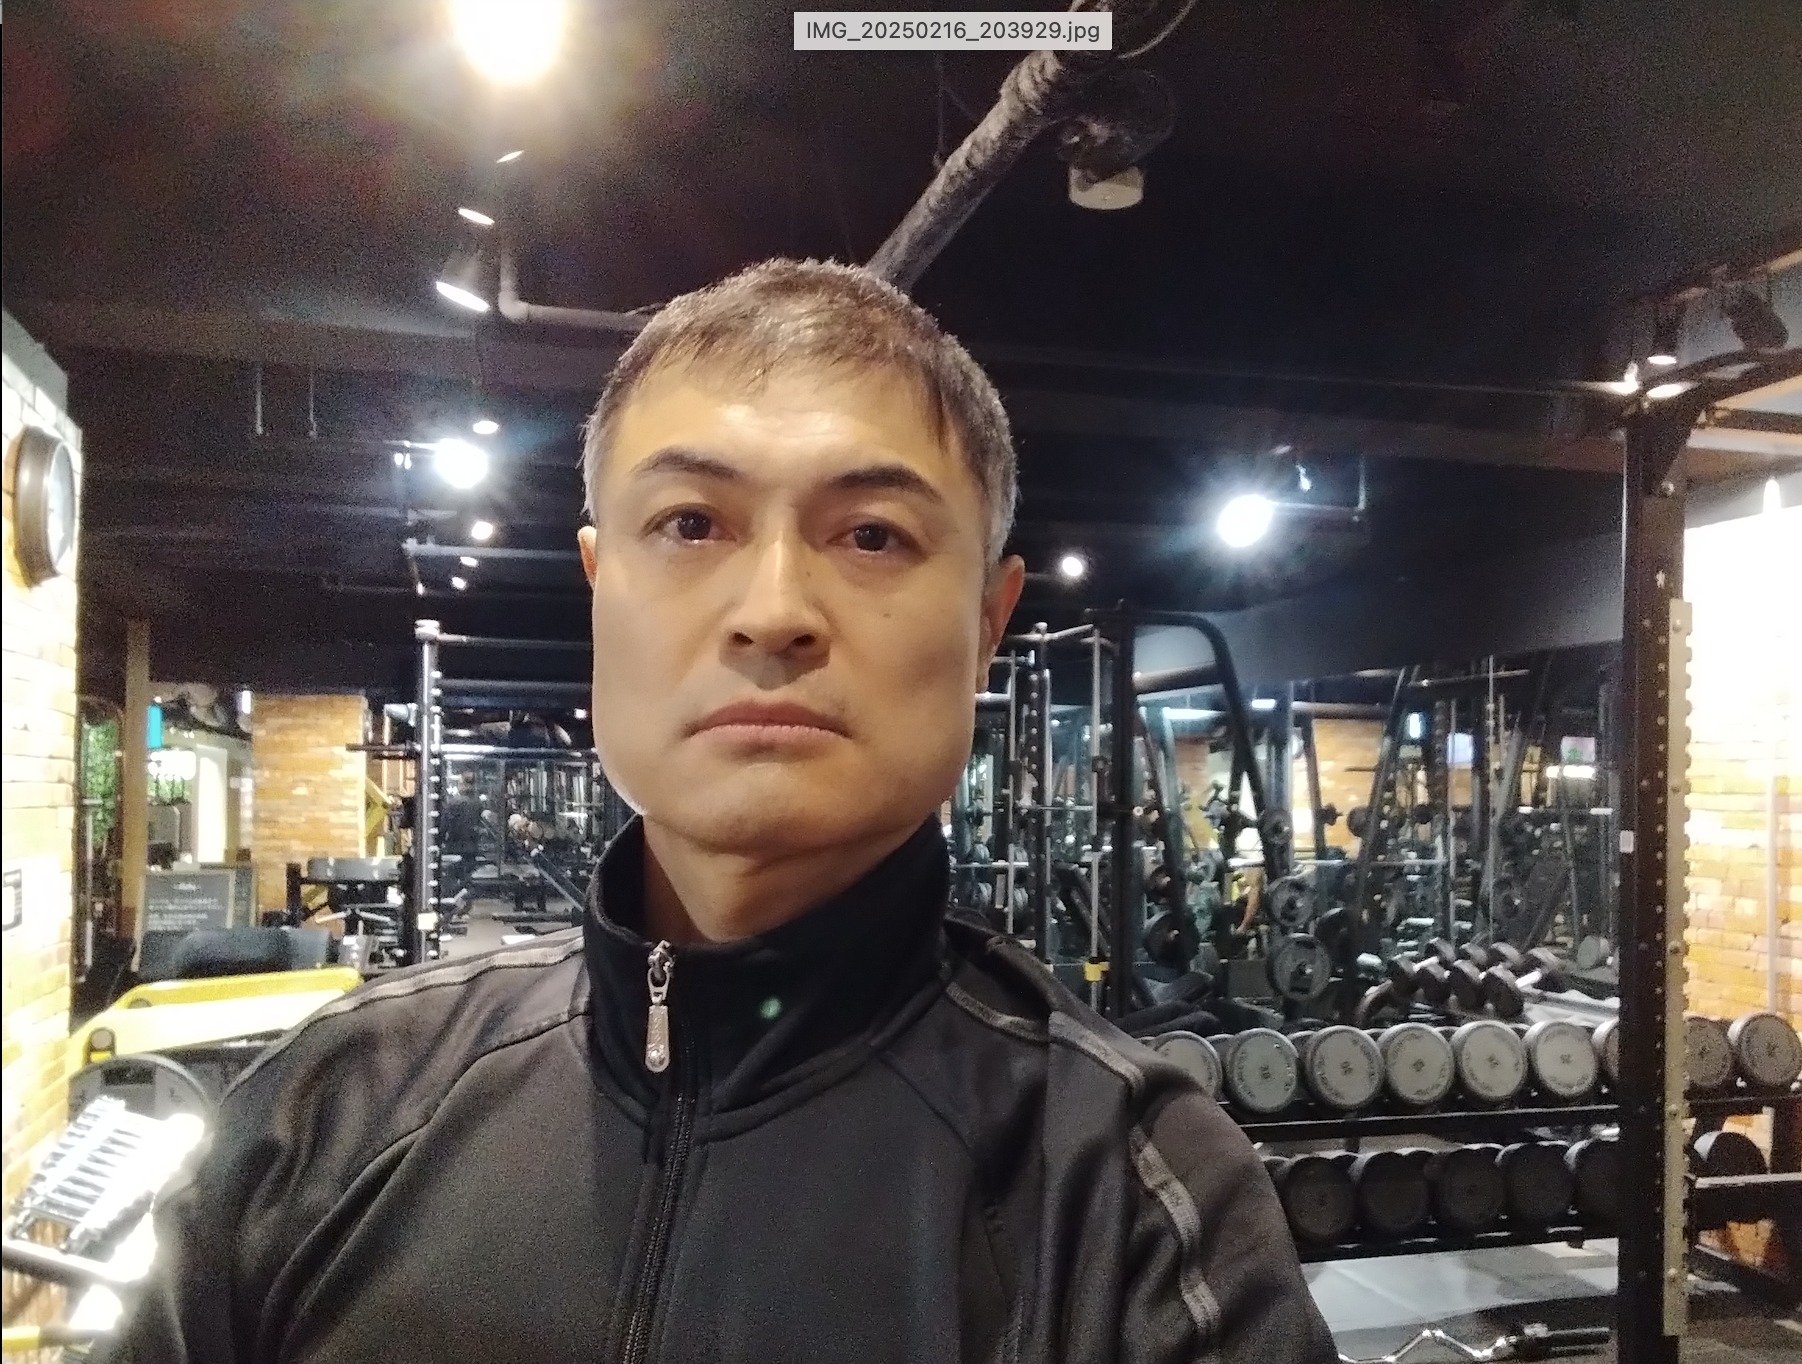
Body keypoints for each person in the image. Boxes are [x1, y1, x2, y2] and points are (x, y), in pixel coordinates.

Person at [102, 260, 1337, 1363]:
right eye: (690, 523)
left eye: (872, 534)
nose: (774, 610)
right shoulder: (330, 1112)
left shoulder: (1133, 1203)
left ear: (987, 624)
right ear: (601, 586)